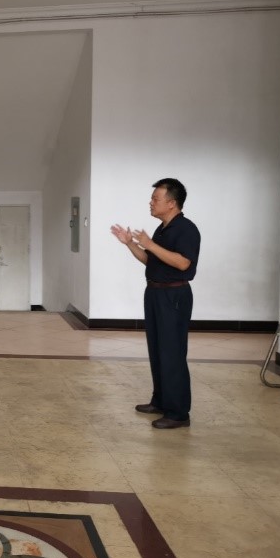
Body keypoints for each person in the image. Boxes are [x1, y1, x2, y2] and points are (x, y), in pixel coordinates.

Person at [111, 178, 201, 430]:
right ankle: (161, 401)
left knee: (172, 352)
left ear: (172, 203)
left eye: (155, 199)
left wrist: (150, 244)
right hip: (155, 293)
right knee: (158, 349)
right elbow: (150, 260)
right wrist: (130, 243)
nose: (150, 203)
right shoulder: (163, 229)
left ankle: (178, 413)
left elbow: (183, 263)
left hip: (174, 296)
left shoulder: (186, 229)